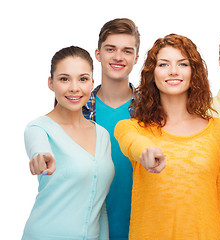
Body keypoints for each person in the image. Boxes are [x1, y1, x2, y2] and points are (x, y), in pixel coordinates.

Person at [115, 34, 220, 240]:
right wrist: (146, 151)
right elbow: (134, 144)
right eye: (164, 64)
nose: (173, 71)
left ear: (194, 72)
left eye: (182, 64)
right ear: (152, 74)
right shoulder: (131, 128)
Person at [29, 18, 140, 239]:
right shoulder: (76, 108)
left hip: (140, 228)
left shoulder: (151, 112)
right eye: (110, 49)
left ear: (136, 58)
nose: (118, 57)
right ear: (98, 54)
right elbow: (40, 141)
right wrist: (39, 157)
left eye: (127, 51)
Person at [22, 46, 115, 239]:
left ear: (92, 83)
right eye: (64, 79)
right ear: (51, 83)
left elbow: (100, 205)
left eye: (83, 79)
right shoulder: (38, 129)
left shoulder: (103, 135)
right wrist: (40, 158)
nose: (74, 87)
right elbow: (39, 150)